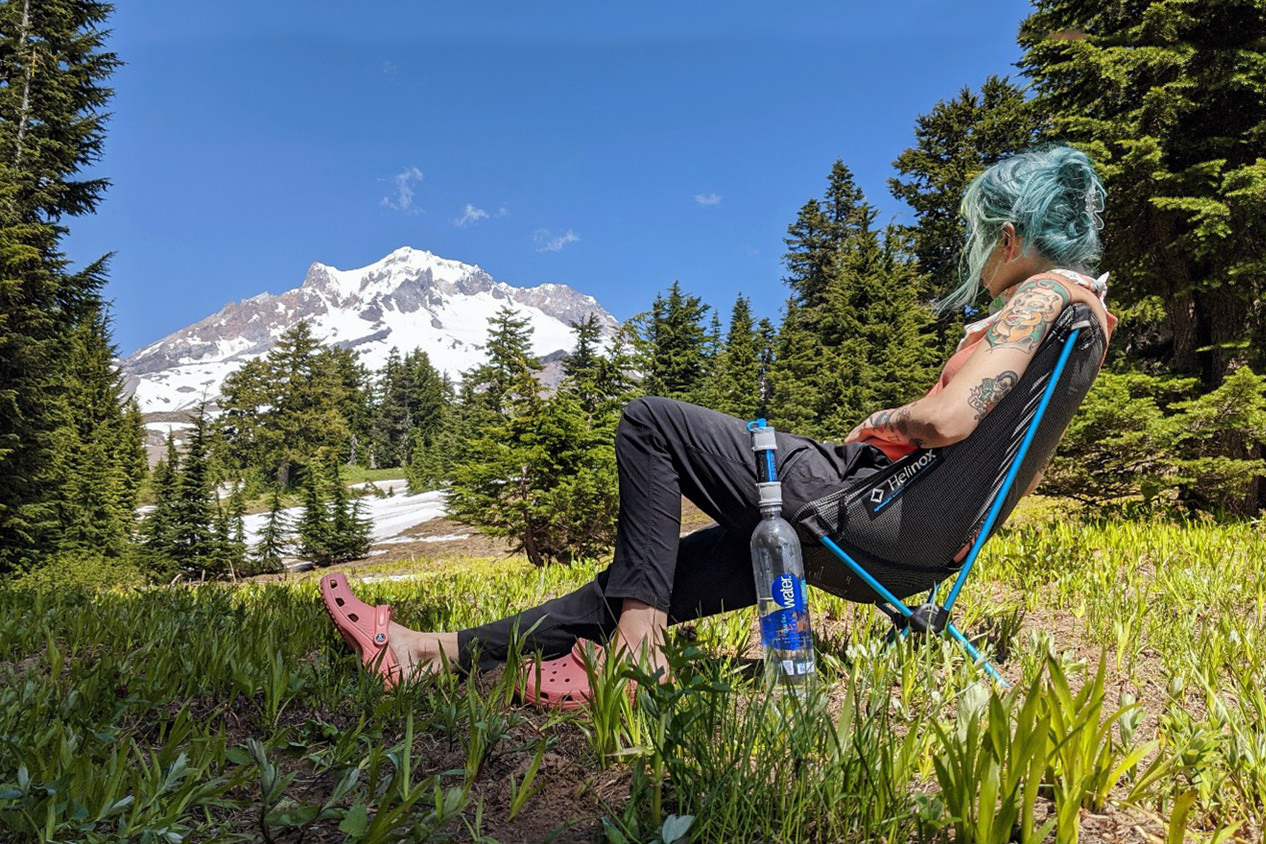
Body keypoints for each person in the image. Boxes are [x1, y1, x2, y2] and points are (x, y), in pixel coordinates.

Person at [320, 145, 1117, 703]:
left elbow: (946, 420)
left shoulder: (1043, 298)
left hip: (862, 508)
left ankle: (638, 652)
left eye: (985, 241)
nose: (979, 258)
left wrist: (886, 416)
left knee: (650, 423)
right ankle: (433, 655)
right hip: (915, 553)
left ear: (1012, 239)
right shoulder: (1092, 321)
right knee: (652, 574)